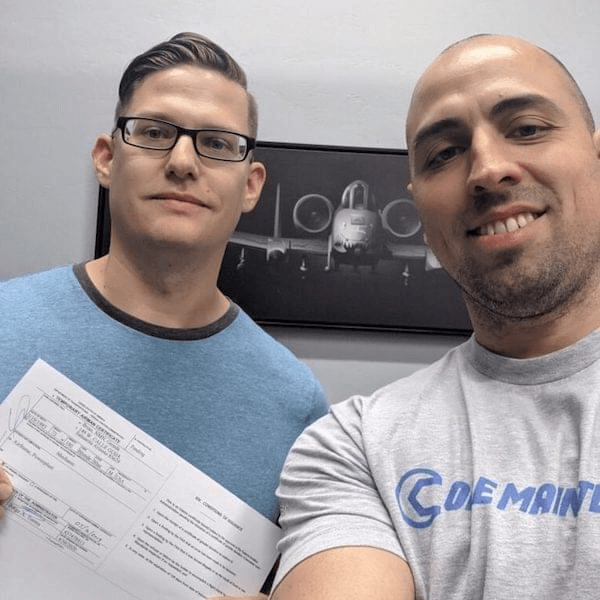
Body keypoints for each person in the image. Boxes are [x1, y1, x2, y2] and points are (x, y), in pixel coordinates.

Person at [271, 33, 600, 599]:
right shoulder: (354, 446)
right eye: (443, 154)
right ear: (420, 210)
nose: (488, 169)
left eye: (527, 128)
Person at [0, 32, 328, 597]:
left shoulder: (297, 405)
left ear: (251, 185)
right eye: (154, 133)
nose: (182, 162)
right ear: (107, 158)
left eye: (217, 143)